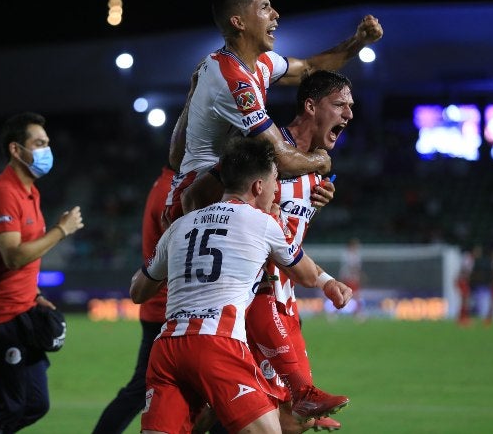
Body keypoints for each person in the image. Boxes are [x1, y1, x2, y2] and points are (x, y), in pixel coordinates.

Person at [130, 137, 353, 434]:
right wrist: (327, 280)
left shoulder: (181, 226)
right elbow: (306, 275)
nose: (276, 192)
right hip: (217, 343)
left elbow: (138, 291)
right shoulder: (262, 223)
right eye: (275, 183)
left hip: (168, 348)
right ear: (258, 187)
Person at [184, 70, 356, 433]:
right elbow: (196, 198)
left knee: (267, 414)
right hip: (246, 298)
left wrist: (316, 202)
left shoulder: (316, 167)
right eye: (339, 104)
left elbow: (288, 235)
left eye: (350, 107)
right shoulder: (265, 148)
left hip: (281, 293)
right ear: (310, 106)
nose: (349, 115)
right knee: (267, 413)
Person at [163, 0, 383, 226]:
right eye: (265, 7)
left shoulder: (259, 63)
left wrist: (358, 41)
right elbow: (280, 158)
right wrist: (320, 162)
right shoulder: (234, 81)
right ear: (239, 22)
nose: (275, 14)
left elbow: (310, 68)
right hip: (198, 203)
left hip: (218, 191)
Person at [92, 67, 199, 434]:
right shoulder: (176, 194)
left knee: (148, 388)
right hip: (165, 306)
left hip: (161, 304)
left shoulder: (166, 184)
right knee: (142, 389)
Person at [0, 111, 85, 433]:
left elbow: (22, 262)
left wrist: (35, 295)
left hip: (22, 311)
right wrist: (61, 230)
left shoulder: (30, 192)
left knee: (35, 404)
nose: (47, 150)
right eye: (40, 143)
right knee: (12, 408)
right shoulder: (3, 193)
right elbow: (14, 257)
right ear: (16, 150)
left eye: (47, 143)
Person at [327, 237, 367, 322]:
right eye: (356, 245)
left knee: (356, 297)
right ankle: (333, 313)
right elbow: (350, 267)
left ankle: (357, 314)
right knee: (343, 296)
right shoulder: (347, 255)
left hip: (354, 278)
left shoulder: (356, 255)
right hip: (348, 278)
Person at [454, 244, 482, 327]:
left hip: (463, 281)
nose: (479, 254)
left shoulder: (471, 260)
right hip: (461, 281)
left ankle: (461, 319)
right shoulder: (468, 258)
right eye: (478, 252)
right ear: (473, 251)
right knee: (465, 300)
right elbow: (463, 270)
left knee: (465, 300)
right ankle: (463, 319)